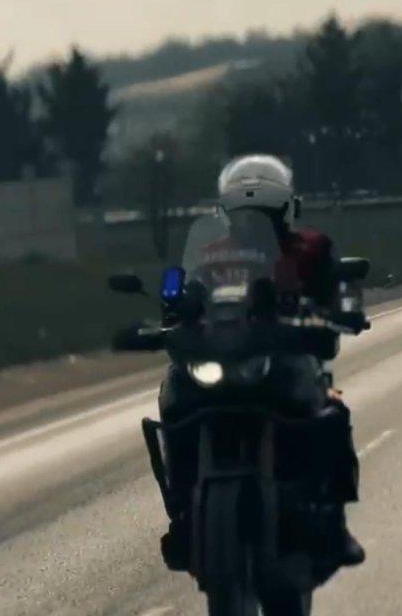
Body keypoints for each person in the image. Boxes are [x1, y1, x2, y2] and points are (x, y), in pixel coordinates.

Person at [157, 154, 366, 572]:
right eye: (244, 215)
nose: (254, 223)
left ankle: (334, 522)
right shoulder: (211, 254)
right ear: (226, 214)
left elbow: (336, 291)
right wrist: (173, 309)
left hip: (286, 356)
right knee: (175, 394)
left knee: (331, 413)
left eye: (265, 214)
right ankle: (183, 512)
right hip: (224, 357)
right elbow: (188, 293)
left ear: (285, 211)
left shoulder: (313, 248)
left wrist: (340, 312)